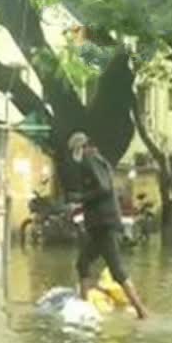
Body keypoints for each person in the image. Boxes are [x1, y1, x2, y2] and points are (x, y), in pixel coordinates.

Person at [68, 132, 149, 320]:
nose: (74, 155)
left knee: (117, 269)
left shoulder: (89, 159)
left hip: (105, 224)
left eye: (73, 150)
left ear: (80, 147)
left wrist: (81, 198)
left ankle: (141, 311)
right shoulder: (98, 159)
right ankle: (84, 305)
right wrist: (82, 202)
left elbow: (103, 187)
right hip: (98, 225)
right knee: (82, 263)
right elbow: (100, 188)